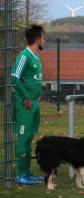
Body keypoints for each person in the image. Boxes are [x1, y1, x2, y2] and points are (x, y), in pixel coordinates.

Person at [13, 25, 45, 185]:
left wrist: (37, 96)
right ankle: (20, 174)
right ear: (38, 39)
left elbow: (35, 79)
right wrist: (26, 97)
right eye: (43, 38)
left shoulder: (36, 56)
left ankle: (27, 172)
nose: (44, 41)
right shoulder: (24, 56)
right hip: (24, 105)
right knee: (23, 138)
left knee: (30, 138)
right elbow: (14, 78)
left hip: (34, 104)